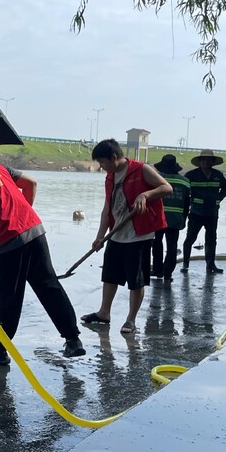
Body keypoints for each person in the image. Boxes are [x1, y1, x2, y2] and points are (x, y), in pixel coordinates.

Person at [0, 161, 85, 365]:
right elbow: (31, 183)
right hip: (34, 230)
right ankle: (73, 340)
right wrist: (21, 215)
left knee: (9, 298)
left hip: (6, 242)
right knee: (48, 285)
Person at [80, 139, 172, 335]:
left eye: (103, 163)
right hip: (117, 234)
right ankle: (104, 313)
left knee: (135, 280)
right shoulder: (110, 177)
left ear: (114, 157)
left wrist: (145, 195)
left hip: (139, 234)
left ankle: (131, 320)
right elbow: (107, 209)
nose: (102, 167)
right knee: (110, 276)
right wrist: (99, 237)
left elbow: (166, 188)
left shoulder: (141, 169)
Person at [181, 149, 226, 275]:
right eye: (204, 159)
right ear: (199, 162)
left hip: (212, 213)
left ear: (213, 162)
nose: (206, 162)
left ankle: (211, 265)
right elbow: (183, 189)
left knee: (211, 239)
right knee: (190, 238)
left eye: (209, 160)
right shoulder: (191, 175)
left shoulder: (217, 175)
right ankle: (185, 264)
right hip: (196, 213)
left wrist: (219, 198)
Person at [150, 154, 191, 282]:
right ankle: (168, 273)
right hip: (176, 218)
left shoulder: (156, 179)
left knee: (157, 243)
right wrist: (184, 219)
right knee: (172, 246)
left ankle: (158, 270)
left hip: (158, 217)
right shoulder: (185, 181)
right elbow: (187, 203)